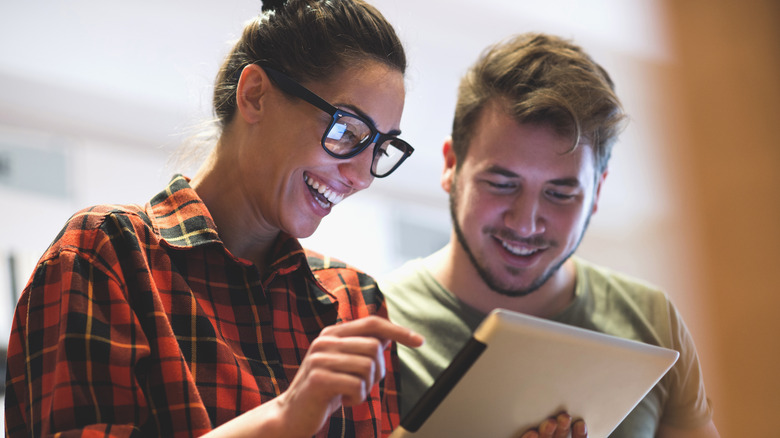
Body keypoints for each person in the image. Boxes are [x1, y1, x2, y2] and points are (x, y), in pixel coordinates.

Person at [3, 1, 425, 437]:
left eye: (378, 148)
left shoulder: (354, 302)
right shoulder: (108, 254)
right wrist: (283, 418)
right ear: (255, 95)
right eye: (346, 131)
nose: (361, 177)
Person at [380, 33, 720, 438]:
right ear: (452, 166)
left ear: (597, 192)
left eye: (560, 194)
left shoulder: (652, 322)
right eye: (501, 183)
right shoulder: (375, 322)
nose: (525, 223)